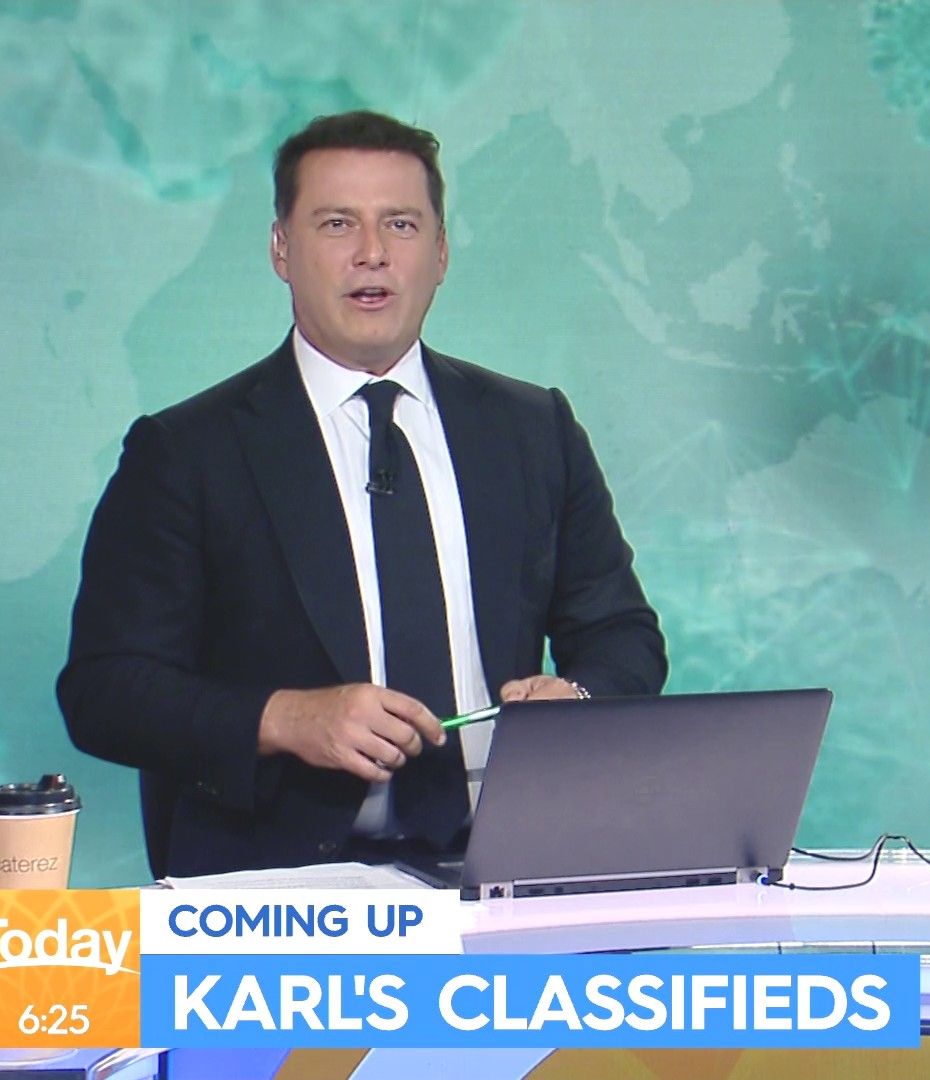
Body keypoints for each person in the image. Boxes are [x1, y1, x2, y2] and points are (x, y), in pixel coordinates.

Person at [59, 111, 666, 878]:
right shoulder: (186, 453)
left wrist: (574, 699)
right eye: (337, 223)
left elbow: (624, 638)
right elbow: (105, 689)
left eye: (401, 224)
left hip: (506, 873)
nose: (372, 252)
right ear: (281, 249)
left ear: (440, 253)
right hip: (277, 890)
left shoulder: (532, 429)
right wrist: (284, 718)